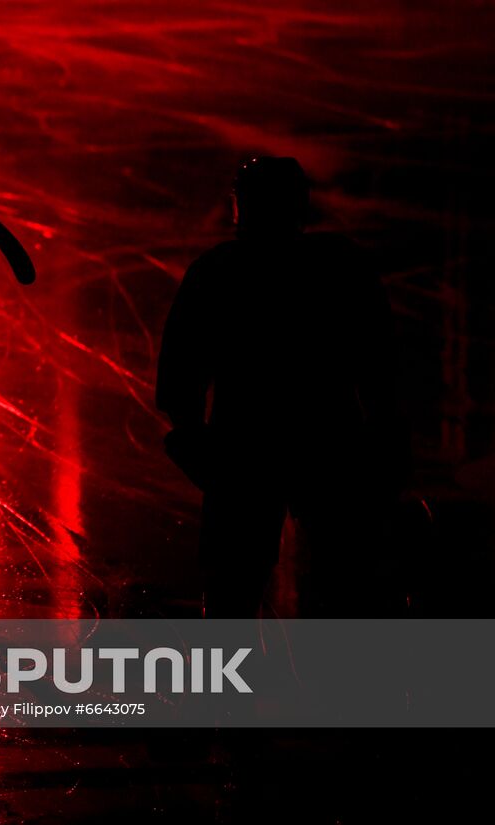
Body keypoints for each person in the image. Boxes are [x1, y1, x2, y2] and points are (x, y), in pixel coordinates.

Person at [156, 157, 407, 618]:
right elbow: (379, 362)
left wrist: (193, 435)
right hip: (327, 440)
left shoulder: (218, 271)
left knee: (234, 586)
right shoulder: (339, 265)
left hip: (244, 445)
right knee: (344, 581)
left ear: (240, 206)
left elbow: (181, 371)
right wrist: (385, 435)